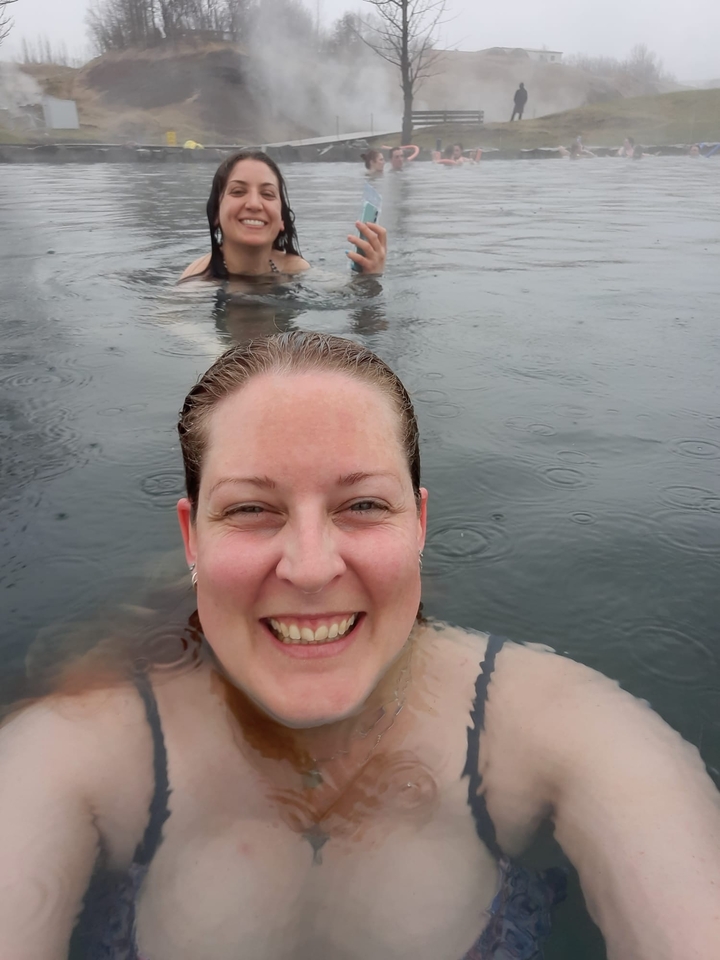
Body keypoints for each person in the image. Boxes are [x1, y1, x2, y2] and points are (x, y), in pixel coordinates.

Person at [1, 330, 719, 960]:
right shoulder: (78, 750)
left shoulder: (554, 724)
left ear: (420, 523)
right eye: (251, 509)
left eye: (364, 505)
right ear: (191, 537)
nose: (311, 567)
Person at [180, 150, 387, 281]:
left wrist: (370, 277)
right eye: (238, 191)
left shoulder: (295, 269)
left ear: (281, 219)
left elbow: (354, 306)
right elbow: (173, 321)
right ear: (216, 213)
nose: (254, 204)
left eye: (268, 194)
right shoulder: (196, 281)